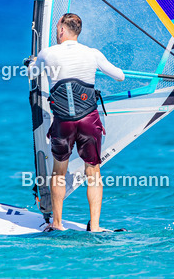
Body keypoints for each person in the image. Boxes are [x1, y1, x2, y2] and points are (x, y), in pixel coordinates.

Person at [30, 13, 125, 232]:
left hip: (63, 122)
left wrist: (33, 63)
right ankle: (96, 226)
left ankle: (57, 223)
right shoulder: (92, 54)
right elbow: (119, 76)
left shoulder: (47, 54)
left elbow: (31, 74)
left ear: (62, 30)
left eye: (57, 28)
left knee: (59, 173)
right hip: (89, 121)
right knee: (93, 172)